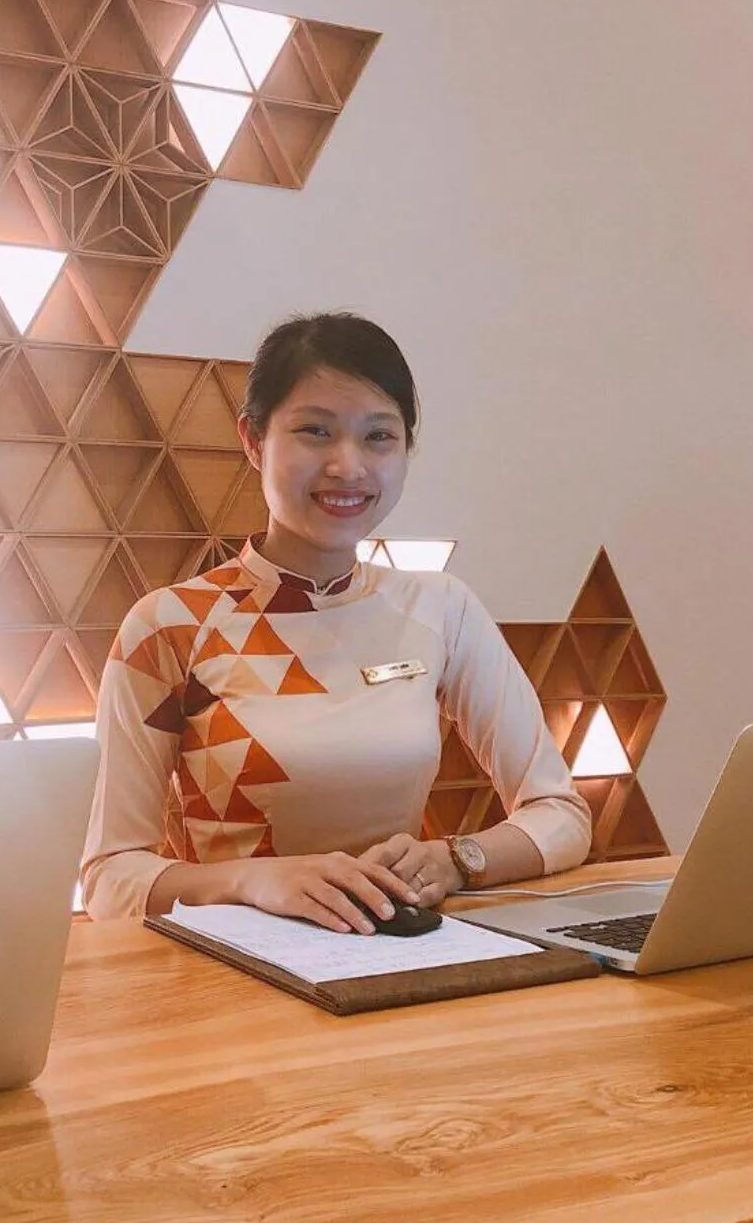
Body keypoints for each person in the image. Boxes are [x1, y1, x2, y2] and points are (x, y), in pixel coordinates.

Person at [79, 312, 592, 932]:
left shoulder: (441, 608)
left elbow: (561, 815)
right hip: (234, 969)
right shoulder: (170, 626)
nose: (349, 466)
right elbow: (110, 878)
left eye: (379, 437)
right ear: (253, 440)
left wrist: (458, 859)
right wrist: (252, 881)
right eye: (315, 431)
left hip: (406, 955)